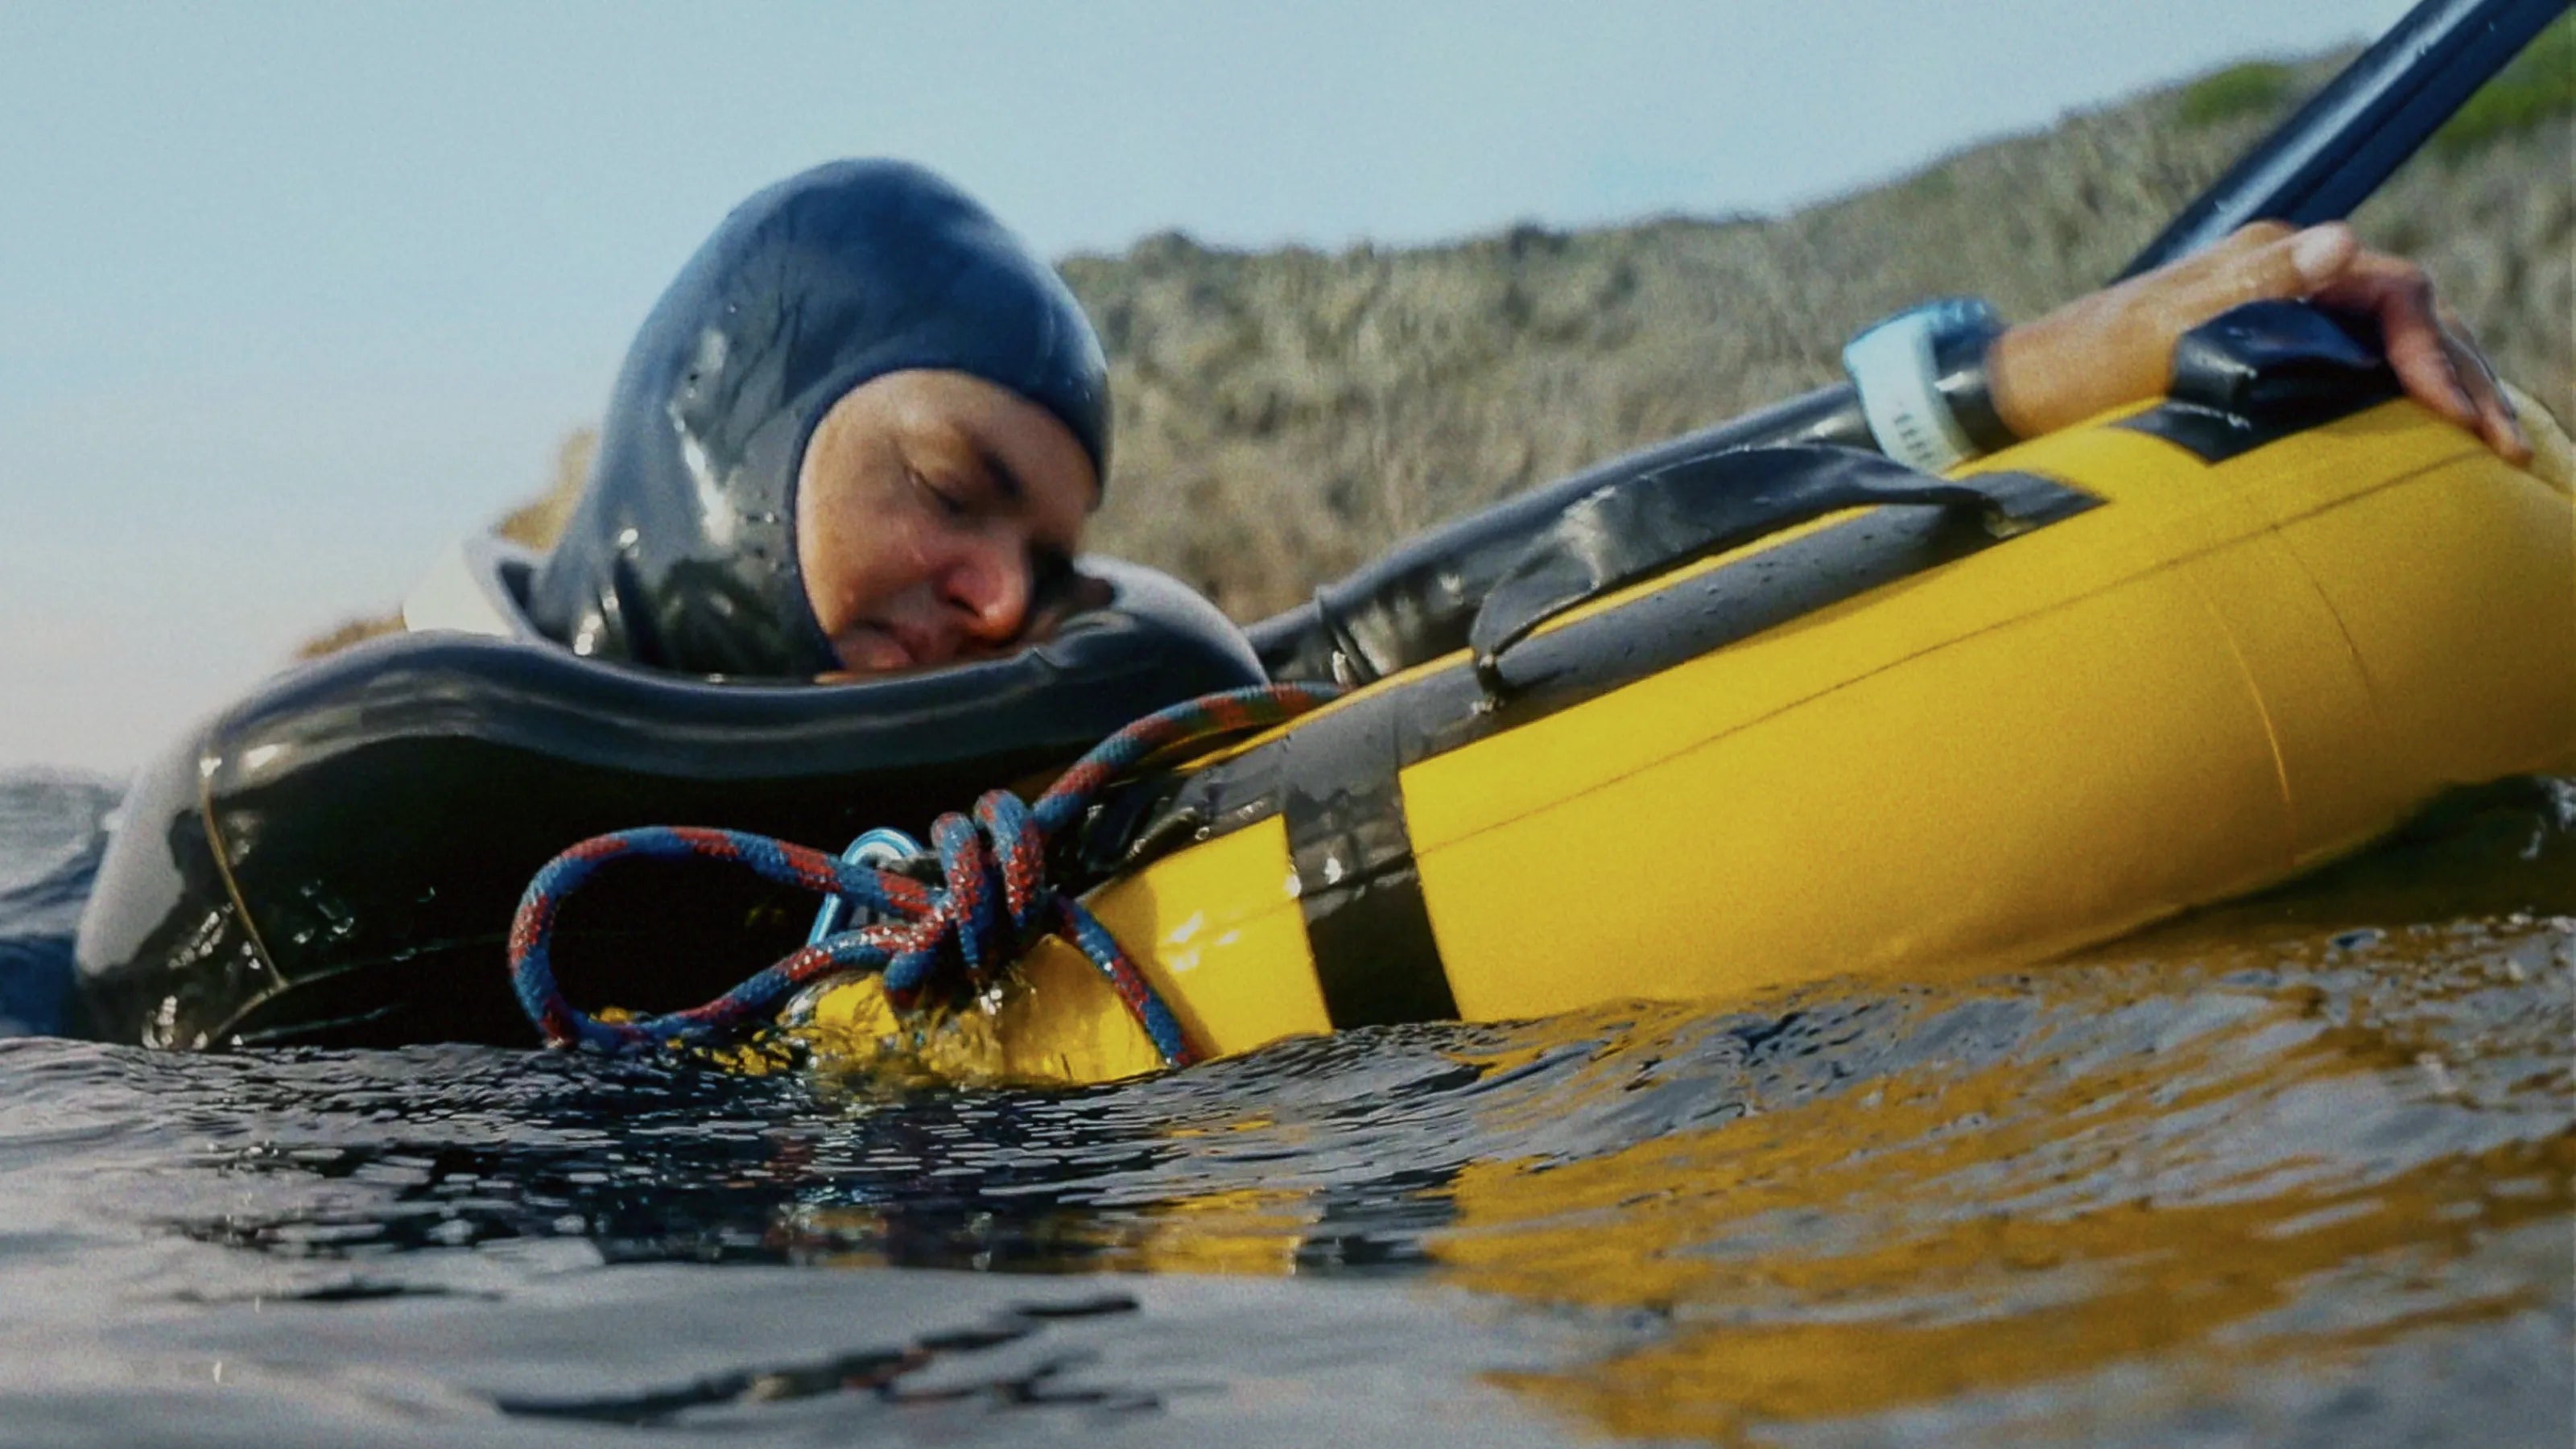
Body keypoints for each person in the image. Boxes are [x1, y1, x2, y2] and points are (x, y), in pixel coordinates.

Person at [475, 159, 2529, 682]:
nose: (1005, 596)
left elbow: (1399, 630)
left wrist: (2001, 384)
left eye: (1049, 551)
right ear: (723, 428)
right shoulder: (366, 769)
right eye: (948, 488)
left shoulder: (961, 799)